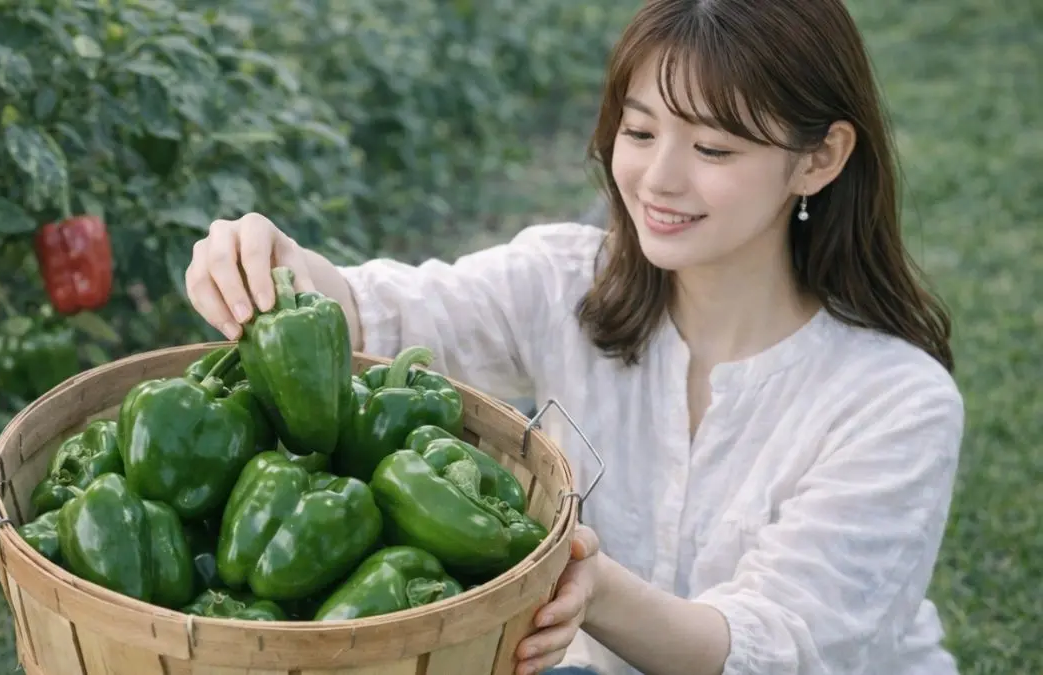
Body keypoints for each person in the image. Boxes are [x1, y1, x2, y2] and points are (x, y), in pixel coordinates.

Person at [183, 0, 966, 673]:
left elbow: (773, 646)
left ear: (818, 159)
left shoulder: (894, 402)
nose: (659, 179)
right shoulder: (568, 281)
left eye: (714, 148)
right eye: (640, 130)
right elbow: (382, 311)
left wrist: (580, 574)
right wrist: (275, 261)